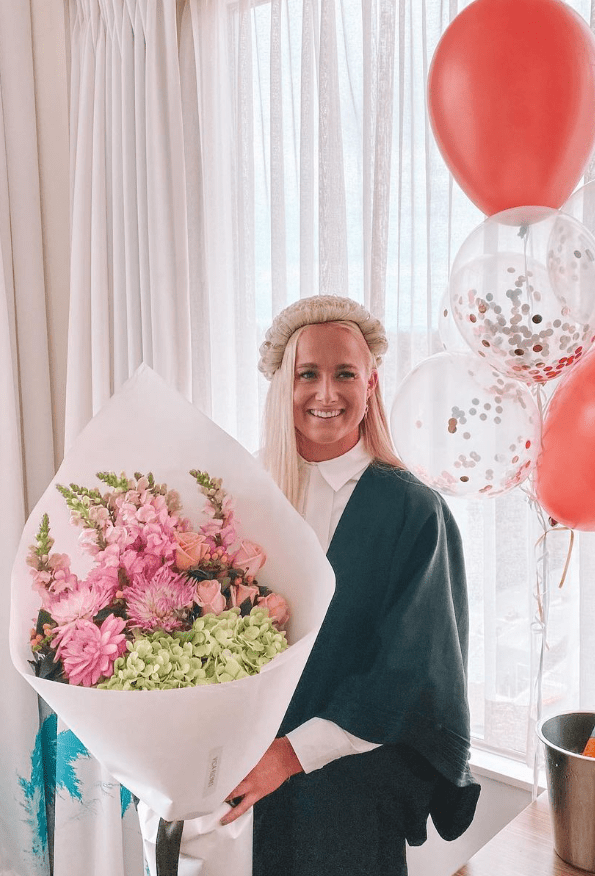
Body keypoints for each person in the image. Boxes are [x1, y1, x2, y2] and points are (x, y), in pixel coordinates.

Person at [220, 295, 480, 875]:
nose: (326, 393)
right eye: (307, 373)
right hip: (235, 774)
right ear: (282, 383)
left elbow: (411, 672)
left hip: (347, 797)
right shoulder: (241, 492)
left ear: (371, 384)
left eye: (345, 374)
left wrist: (289, 756)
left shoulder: (413, 510)